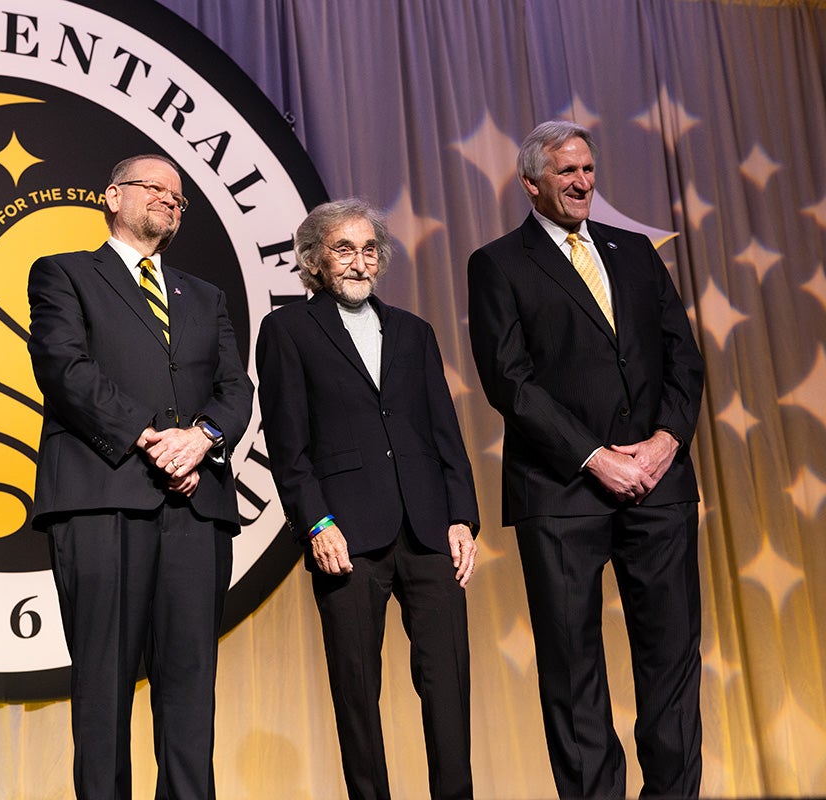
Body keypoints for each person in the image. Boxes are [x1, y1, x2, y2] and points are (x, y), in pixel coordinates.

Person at [467, 120, 705, 797]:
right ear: (531, 183)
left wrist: (665, 442)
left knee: (672, 661)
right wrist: (595, 457)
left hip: (659, 486)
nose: (583, 183)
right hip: (562, 490)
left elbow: (681, 356)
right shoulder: (499, 263)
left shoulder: (633, 251)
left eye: (589, 171)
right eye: (567, 172)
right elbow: (509, 380)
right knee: (573, 669)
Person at [26, 153, 253, 799]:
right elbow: (64, 368)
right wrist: (153, 440)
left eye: (179, 199)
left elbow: (235, 388)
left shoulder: (204, 296)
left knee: (189, 686)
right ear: (111, 196)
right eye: (154, 188)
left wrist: (201, 438)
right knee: (104, 682)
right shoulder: (64, 274)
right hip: (103, 496)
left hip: (194, 507)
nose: (169, 202)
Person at [256, 198, 480, 800]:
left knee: (448, 685)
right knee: (356, 691)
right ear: (314, 261)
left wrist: (463, 517)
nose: (360, 262)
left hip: (430, 530)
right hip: (346, 536)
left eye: (370, 249)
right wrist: (316, 523)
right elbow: (287, 443)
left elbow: (445, 433)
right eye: (344, 249)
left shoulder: (414, 330)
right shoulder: (286, 330)